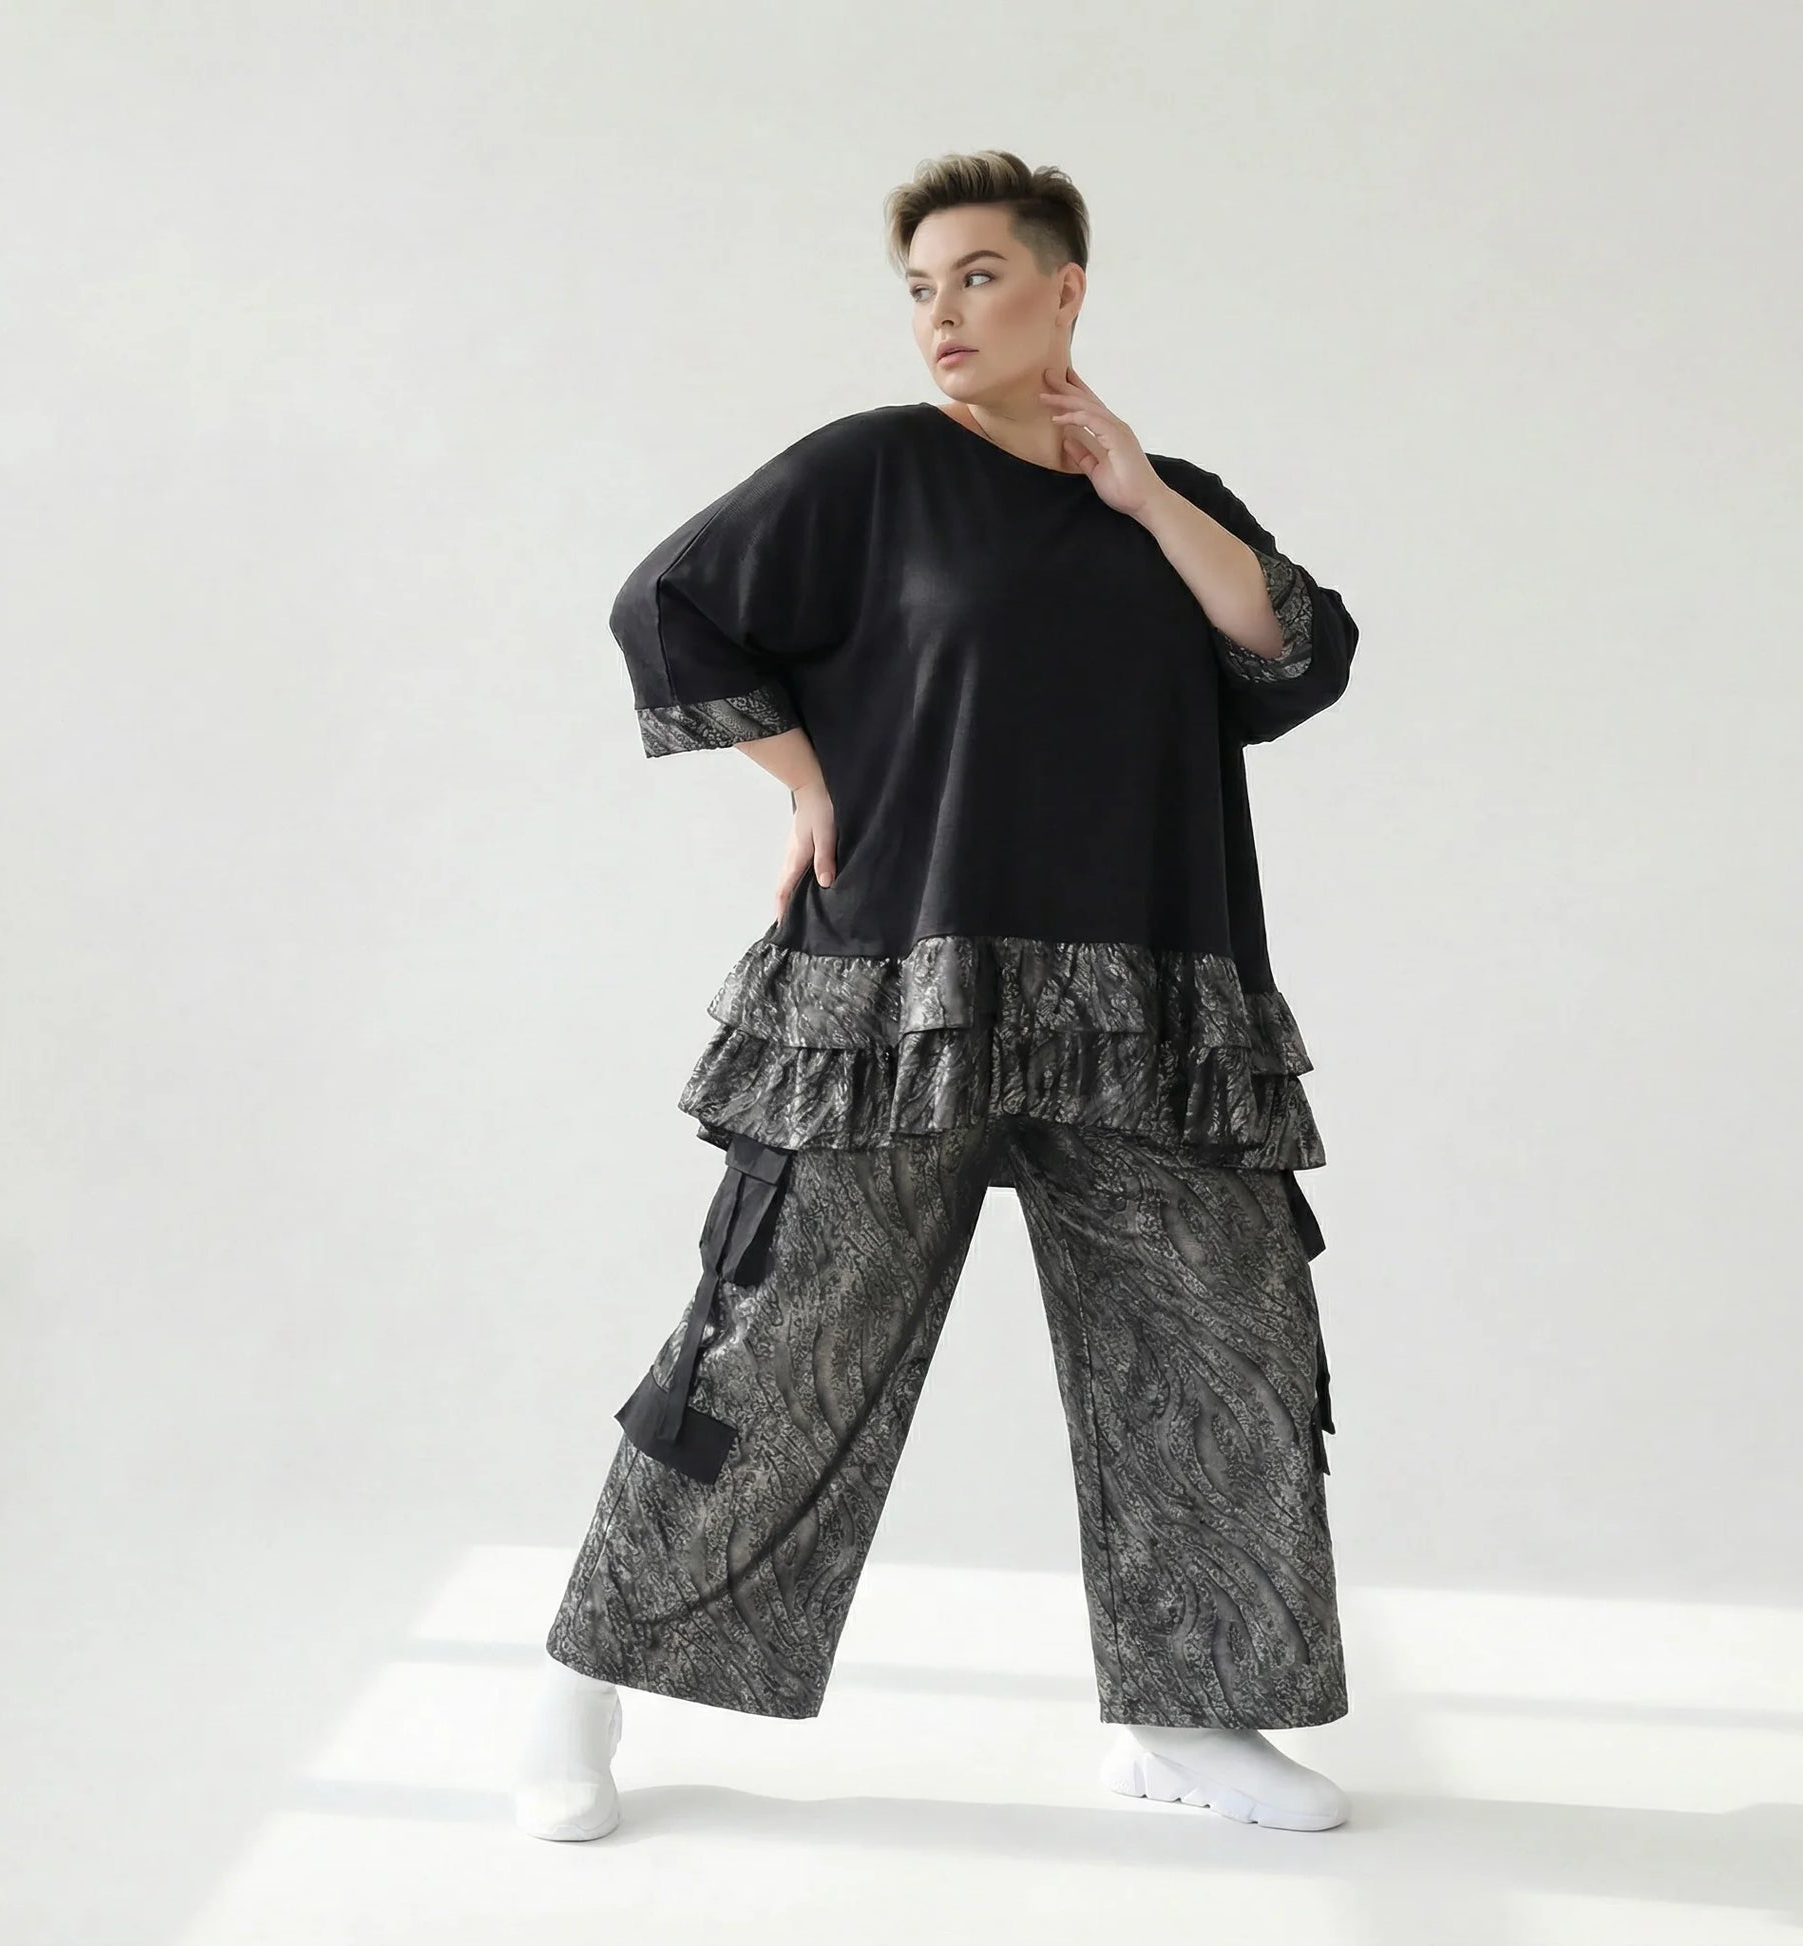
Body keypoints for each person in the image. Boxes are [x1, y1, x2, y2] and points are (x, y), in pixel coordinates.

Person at [513, 148, 1361, 1842]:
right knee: (778, 1344)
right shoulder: (875, 469)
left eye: (977, 276)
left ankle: (1185, 1716)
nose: (941, 314)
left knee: (1221, 1348)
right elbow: (665, 606)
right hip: (907, 978)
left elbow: (1293, 654)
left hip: (1149, 996)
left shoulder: (1169, 500)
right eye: (918, 287)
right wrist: (806, 782)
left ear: (1064, 289)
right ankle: (578, 1687)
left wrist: (1139, 489)